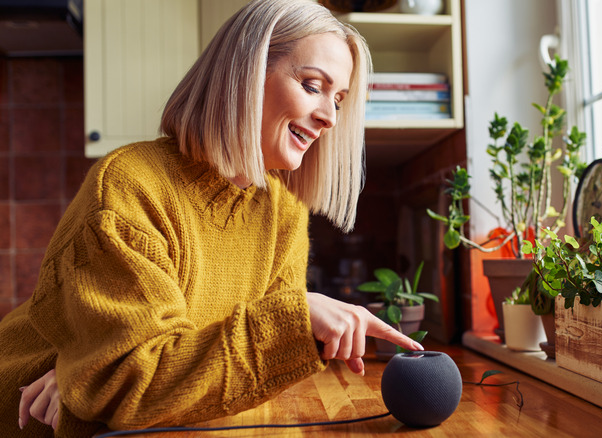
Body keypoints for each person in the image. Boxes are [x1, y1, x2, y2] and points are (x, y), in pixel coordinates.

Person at [1, 0, 423, 436]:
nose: (330, 118)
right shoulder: (130, 183)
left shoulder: (282, 214)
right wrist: (99, 378)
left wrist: (88, 379)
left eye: (339, 99)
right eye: (313, 85)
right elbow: (134, 383)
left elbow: (223, 376)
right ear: (245, 73)